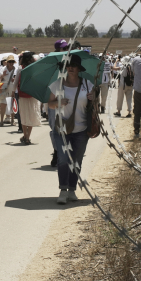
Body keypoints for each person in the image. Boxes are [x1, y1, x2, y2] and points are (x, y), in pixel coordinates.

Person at [47, 53, 95, 204]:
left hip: (81, 130)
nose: (71, 68)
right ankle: (63, 190)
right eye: (68, 65)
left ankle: (72, 189)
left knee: (76, 160)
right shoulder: (57, 84)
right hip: (61, 129)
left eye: (74, 65)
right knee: (62, 159)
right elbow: (50, 104)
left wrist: (94, 99)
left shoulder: (88, 85)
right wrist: (59, 103)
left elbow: (94, 106)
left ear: (79, 68)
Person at [14, 51, 41, 145]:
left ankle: (25, 136)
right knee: (31, 116)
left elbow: (15, 82)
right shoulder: (34, 68)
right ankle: (27, 137)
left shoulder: (20, 68)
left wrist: (12, 93)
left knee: (24, 116)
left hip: (22, 96)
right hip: (33, 95)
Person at [0, 54, 17, 126]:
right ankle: (1, 121)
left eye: (12, 61)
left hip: (12, 87)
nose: (11, 63)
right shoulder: (3, 69)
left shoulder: (15, 69)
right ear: (7, 62)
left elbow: (17, 79)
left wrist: (14, 80)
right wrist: (2, 75)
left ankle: (12, 120)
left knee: (12, 103)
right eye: (10, 62)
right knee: (3, 104)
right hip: (3, 87)